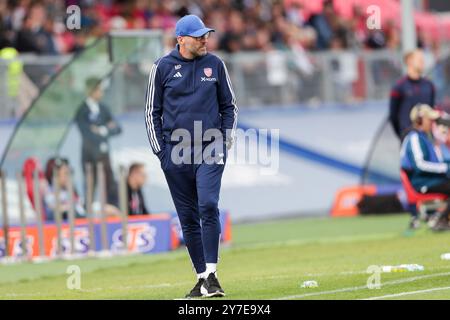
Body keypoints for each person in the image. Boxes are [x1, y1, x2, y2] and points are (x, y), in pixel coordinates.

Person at [144, 14, 238, 298]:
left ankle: (211, 273)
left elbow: (229, 106)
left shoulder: (216, 64)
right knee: (187, 217)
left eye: (205, 35)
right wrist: (162, 153)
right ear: (181, 40)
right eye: (198, 36)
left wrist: (225, 138)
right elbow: (152, 113)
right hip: (175, 151)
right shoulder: (161, 68)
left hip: (210, 146)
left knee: (208, 205)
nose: (204, 39)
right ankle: (204, 279)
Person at [400, 104, 450, 230]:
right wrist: (445, 168)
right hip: (423, 183)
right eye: (429, 119)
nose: (432, 122)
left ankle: (441, 219)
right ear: (419, 120)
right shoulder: (414, 138)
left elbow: (437, 161)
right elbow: (420, 165)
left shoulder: (425, 137)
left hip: (433, 180)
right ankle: (442, 220)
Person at [75, 77, 122, 207]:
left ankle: (113, 209)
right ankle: (87, 212)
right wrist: (106, 129)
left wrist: (102, 130)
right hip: (89, 155)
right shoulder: (82, 110)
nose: (101, 93)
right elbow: (86, 132)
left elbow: (117, 128)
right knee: (90, 185)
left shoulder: (103, 108)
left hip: (104, 154)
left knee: (110, 184)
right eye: (99, 90)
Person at [389, 49, 436, 140]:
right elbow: (393, 115)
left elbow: (431, 110)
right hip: (408, 136)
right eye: (419, 59)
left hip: (426, 138)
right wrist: (402, 134)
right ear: (409, 60)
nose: (422, 62)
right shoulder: (399, 87)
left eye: (423, 59)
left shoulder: (429, 85)